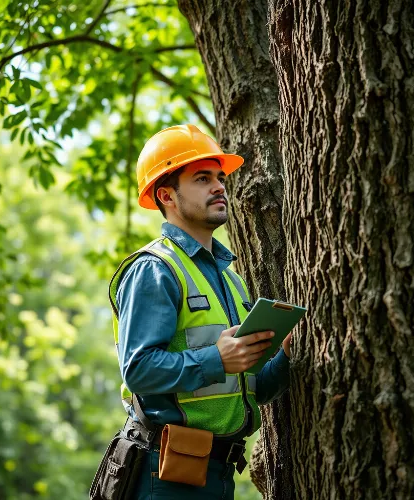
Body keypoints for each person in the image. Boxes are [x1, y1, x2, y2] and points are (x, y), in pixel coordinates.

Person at [109, 124, 291, 499]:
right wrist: (217, 359)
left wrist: (287, 357)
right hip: (167, 473)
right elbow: (139, 370)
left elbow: (249, 390)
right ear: (167, 196)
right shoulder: (155, 269)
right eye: (202, 178)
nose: (219, 186)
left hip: (218, 474)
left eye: (220, 178)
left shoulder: (231, 281)